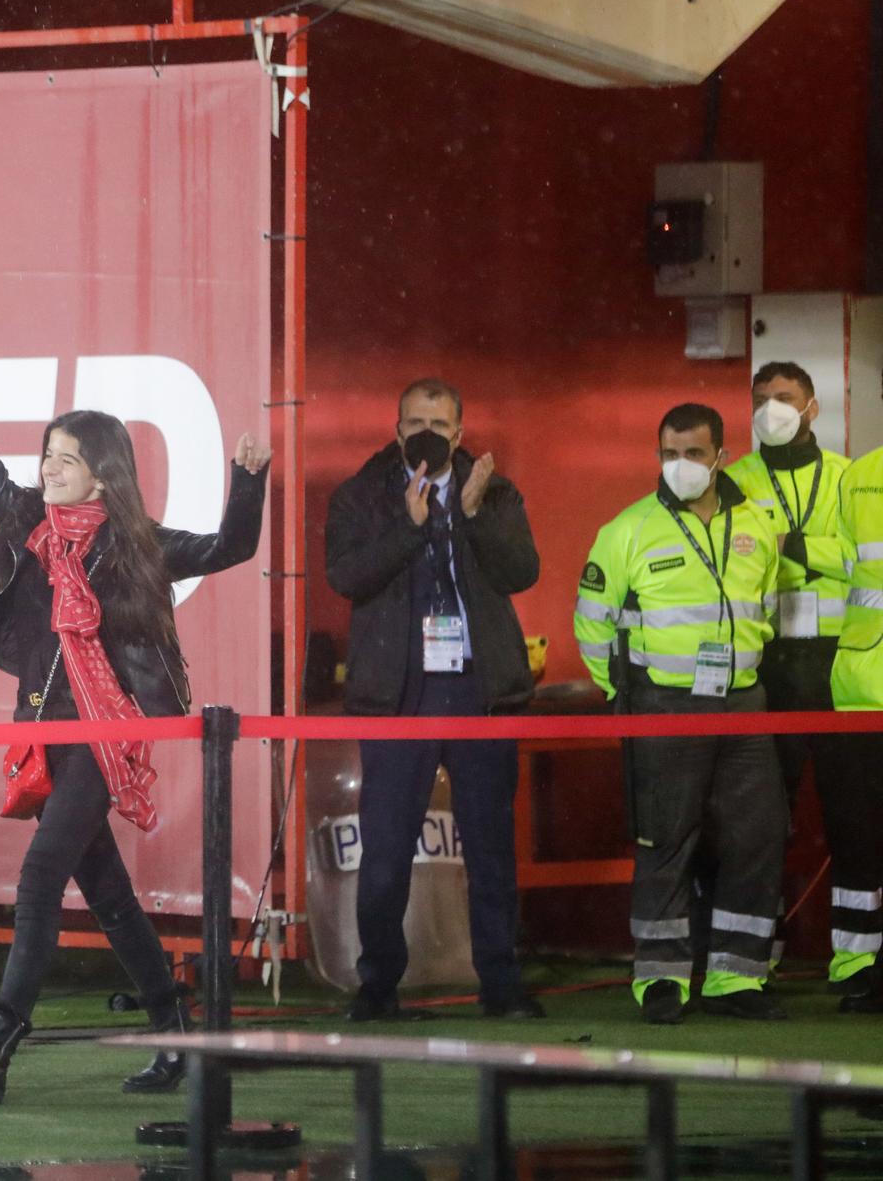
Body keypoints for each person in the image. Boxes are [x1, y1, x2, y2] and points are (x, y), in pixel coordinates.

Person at [0, 279, 269, 1105]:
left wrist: (248, 480)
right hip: (43, 729)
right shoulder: (28, 525)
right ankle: (176, 1030)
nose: (47, 469)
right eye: (46, 456)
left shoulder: (137, 546)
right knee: (106, 891)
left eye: (65, 460)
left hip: (101, 740)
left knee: (41, 878)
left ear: (103, 475)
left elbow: (230, 546)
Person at [325, 379, 544, 1022]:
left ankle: (500, 983)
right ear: (396, 430)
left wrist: (474, 518)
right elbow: (346, 575)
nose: (428, 431)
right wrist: (407, 526)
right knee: (387, 850)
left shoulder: (493, 489)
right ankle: (378, 986)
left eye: (440, 422)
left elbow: (521, 571)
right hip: (399, 694)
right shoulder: (362, 493)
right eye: (415, 421)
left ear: (460, 428)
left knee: (491, 848)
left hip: (480, 692)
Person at [574, 403, 786, 1024]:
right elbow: (592, 624)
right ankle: (661, 978)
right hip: (663, 703)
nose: (681, 465)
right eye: (670, 453)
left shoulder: (755, 524)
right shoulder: (627, 531)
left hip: (744, 703)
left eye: (694, 454)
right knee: (665, 840)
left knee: (758, 834)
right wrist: (619, 696)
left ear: (721, 456)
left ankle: (736, 978)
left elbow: (764, 602)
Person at [726, 362, 875, 1008]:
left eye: (783, 399)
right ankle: (743, 969)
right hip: (765, 669)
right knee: (755, 826)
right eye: (760, 400)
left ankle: (859, 966)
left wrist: (795, 547)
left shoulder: (849, 479)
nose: (770, 411)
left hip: (838, 668)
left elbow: (860, 562)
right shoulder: (732, 481)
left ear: (812, 407)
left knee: (857, 823)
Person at [828, 441, 883, 1013]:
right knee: (858, 841)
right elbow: (846, 565)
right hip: (860, 691)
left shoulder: (859, 474)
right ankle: (858, 965)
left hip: (861, 677)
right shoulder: (861, 475)